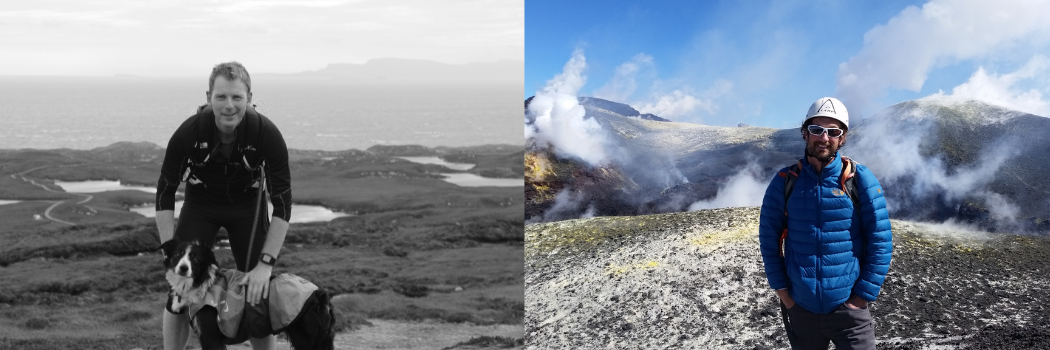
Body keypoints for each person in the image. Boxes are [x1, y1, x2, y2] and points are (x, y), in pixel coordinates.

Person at [155, 61, 292, 350]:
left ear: (250, 99)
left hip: (247, 206)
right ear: (208, 98)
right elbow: (165, 193)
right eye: (221, 97)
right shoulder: (188, 133)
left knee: (259, 291)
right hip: (201, 202)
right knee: (178, 292)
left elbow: (282, 205)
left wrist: (265, 266)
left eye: (237, 97)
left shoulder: (267, 134)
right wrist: (170, 249)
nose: (229, 106)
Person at [758, 97, 893, 349]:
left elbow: (881, 240)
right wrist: (785, 296)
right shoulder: (785, 182)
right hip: (801, 309)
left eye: (833, 131)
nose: (824, 137)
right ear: (804, 133)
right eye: (816, 129)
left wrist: (861, 298)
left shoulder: (859, 179)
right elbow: (769, 240)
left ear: (842, 138)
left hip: (849, 311)